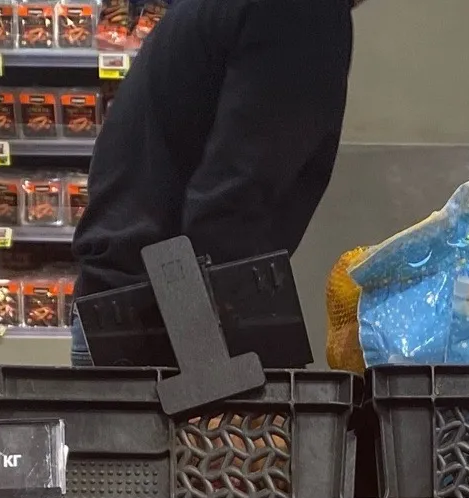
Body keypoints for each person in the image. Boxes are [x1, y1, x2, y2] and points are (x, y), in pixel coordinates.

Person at [71, 0, 356, 307]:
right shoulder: (301, 11)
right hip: (158, 315)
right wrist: (227, 339)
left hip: (120, 293)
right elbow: (231, 200)